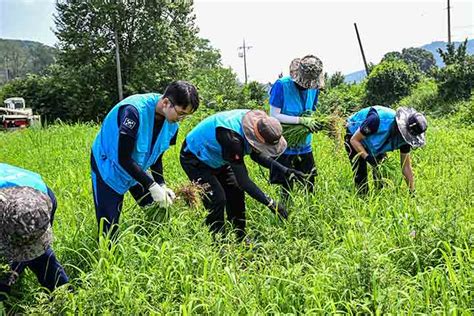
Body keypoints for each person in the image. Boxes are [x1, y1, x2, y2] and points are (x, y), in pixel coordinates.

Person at [91, 81, 199, 238]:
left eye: (186, 116)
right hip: (109, 165)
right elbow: (123, 158)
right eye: (181, 113)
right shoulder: (133, 112)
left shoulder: (172, 124)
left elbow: (157, 156)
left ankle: (148, 244)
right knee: (109, 228)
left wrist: (161, 184)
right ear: (166, 102)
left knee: (159, 213)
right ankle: (108, 257)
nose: (182, 119)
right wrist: (151, 185)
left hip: (137, 167)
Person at [180, 109, 307, 242]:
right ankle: (218, 242)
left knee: (236, 192)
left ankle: (240, 236)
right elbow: (244, 181)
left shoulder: (260, 124)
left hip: (220, 157)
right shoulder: (233, 140)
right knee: (217, 199)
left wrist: (285, 170)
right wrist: (271, 204)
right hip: (194, 157)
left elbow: (257, 155)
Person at [0, 163, 69, 302]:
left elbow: (33, 240)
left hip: (35, 194)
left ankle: (62, 296)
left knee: (40, 255)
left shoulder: (46, 200)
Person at [269, 55, 325, 201]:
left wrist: (312, 122)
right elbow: (274, 115)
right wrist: (301, 120)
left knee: (309, 183)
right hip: (285, 143)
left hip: (304, 144)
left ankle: (310, 214)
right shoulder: (281, 85)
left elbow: (311, 110)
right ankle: (285, 215)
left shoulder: (314, 88)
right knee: (286, 186)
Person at [345, 106, 428, 194]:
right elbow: (354, 140)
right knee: (360, 173)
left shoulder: (406, 140)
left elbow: (406, 166)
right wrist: (367, 157)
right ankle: (362, 197)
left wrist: (412, 191)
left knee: (382, 173)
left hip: (376, 144)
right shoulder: (377, 120)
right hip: (355, 135)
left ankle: (379, 196)